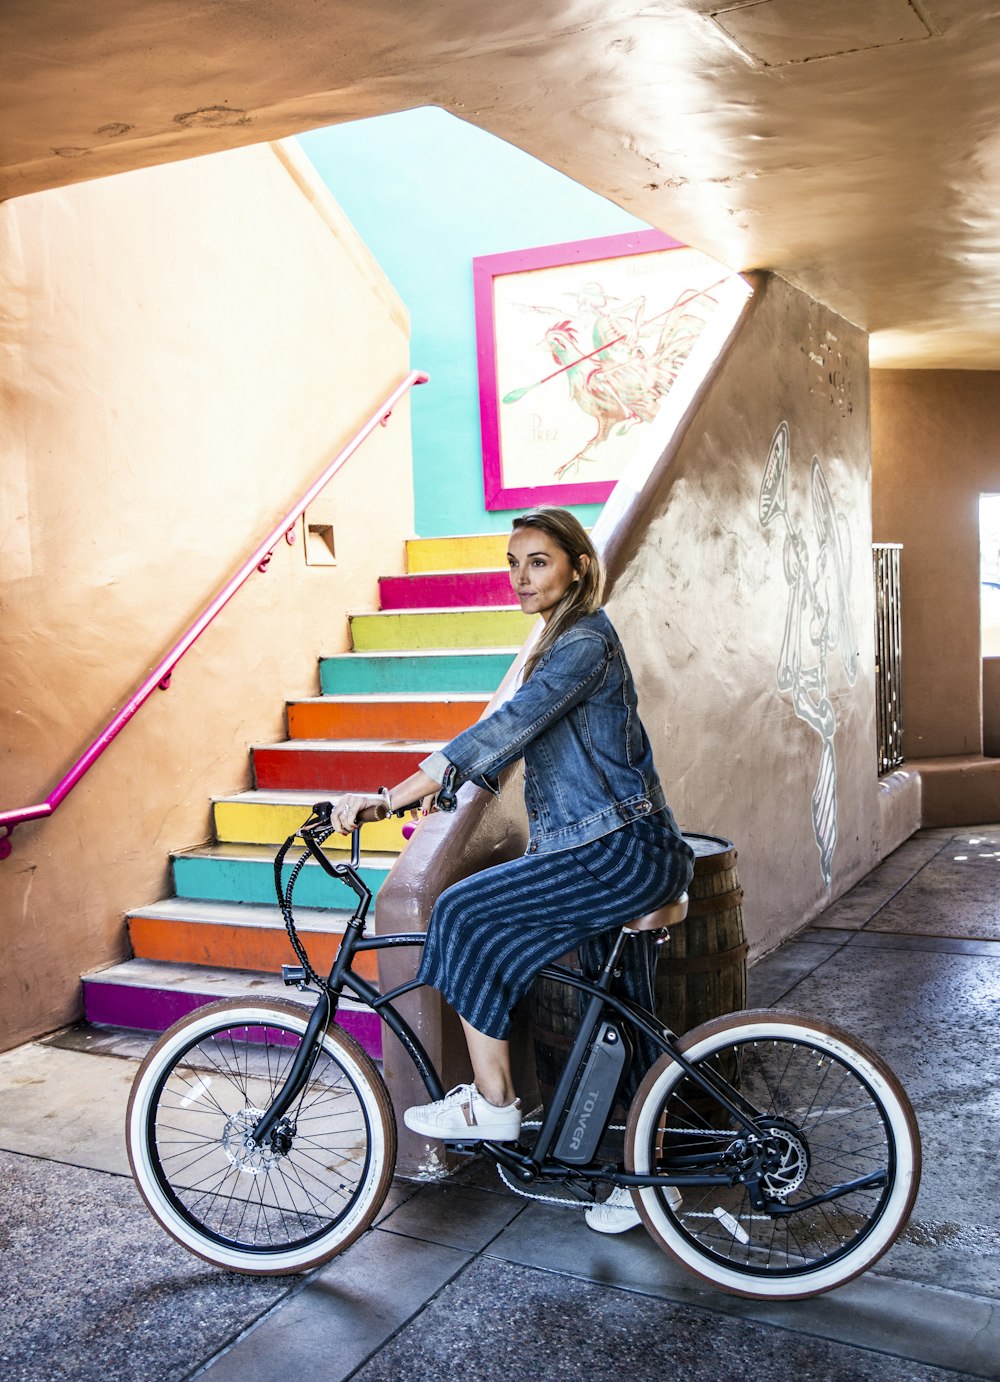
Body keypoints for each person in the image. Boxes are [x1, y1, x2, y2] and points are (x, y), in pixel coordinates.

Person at [332, 506, 693, 1233]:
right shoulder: (561, 641)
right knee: (619, 1017)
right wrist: (450, 788)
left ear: (577, 568)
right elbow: (522, 746)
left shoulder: (585, 642)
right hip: (612, 849)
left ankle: (493, 1103)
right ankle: (646, 1183)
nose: (520, 577)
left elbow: (510, 723)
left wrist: (392, 793)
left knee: (464, 912)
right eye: (512, 561)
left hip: (617, 852)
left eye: (538, 561)